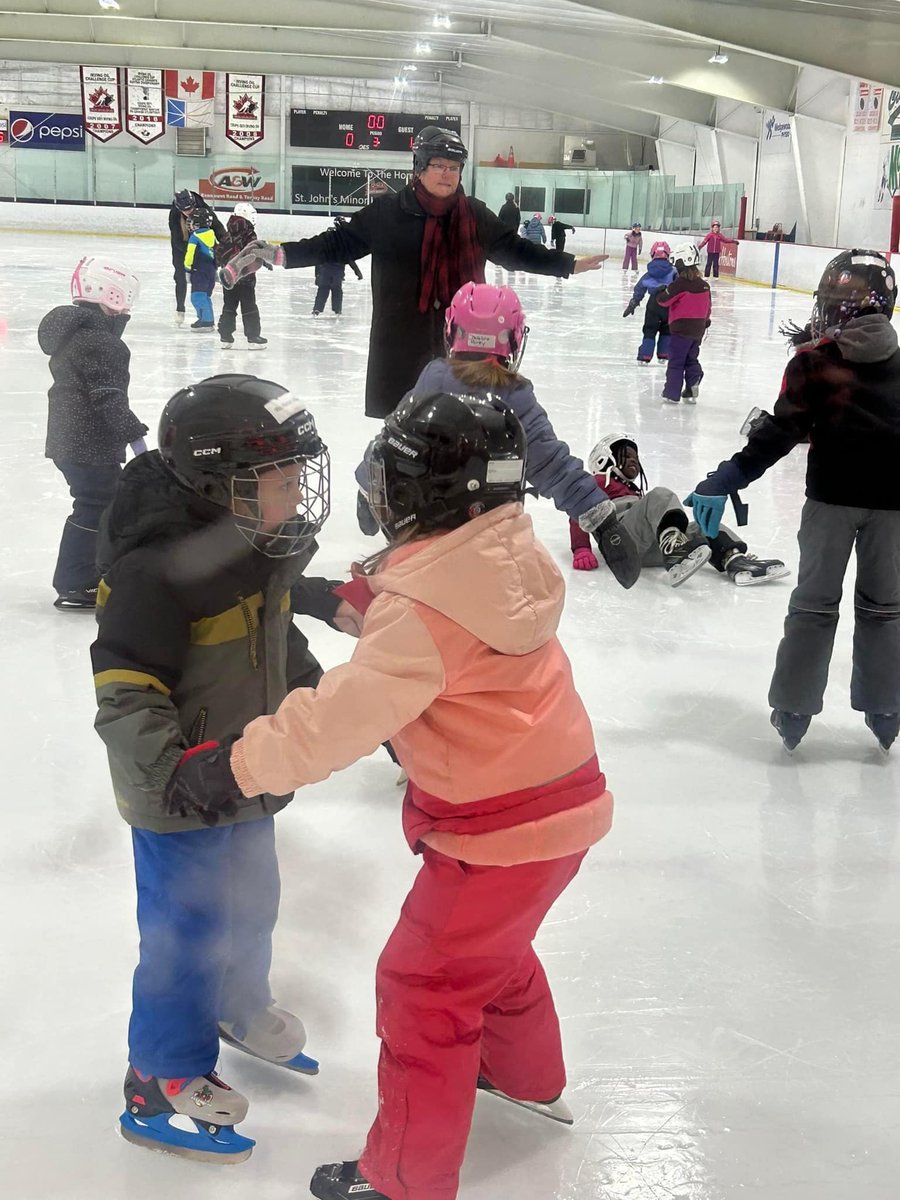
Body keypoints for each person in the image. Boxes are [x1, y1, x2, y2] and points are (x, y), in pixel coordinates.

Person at [162, 390, 615, 1200]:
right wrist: (349, 598)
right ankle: (525, 1076)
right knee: (491, 953)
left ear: (422, 492)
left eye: (391, 478)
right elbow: (449, 611)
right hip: (561, 805)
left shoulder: (422, 615)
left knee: (425, 986)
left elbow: (333, 722)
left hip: (497, 831)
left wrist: (234, 767)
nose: (380, 492)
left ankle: (405, 1178)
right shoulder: (509, 552)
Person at [91, 373, 360, 1162]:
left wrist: (316, 695)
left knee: (252, 903)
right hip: (181, 792)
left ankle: (238, 1005)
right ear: (220, 483)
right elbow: (125, 692)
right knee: (186, 936)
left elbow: (272, 639)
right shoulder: (156, 572)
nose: (298, 492)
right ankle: (160, 1077)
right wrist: (176, 775)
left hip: (245, 773)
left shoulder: (249, 545)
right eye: (282, 480)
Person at [222, 127, 607, 418]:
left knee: (464, 424)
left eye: (453, 168)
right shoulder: (387, 213)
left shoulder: (474, 215)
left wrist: (567, 264)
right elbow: (336, 244)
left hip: (465, 342)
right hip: (402, 342)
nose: (447, 174)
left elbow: (514, 250)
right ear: (420, 168)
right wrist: (280, 254)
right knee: (402, 427)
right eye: (438, 166)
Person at [683, 250, 900, 753]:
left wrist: (726, 477)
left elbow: (780, 434)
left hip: (830, 505)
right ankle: (887, 706)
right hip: (894, 511)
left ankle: (795, 706)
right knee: (885, 609)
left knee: (814, 605)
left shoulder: (813, 364)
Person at [410, 281, 641, 588]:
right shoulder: (513, 394)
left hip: (420, 534)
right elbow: (552, 465)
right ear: (514, 338)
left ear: (452, 331)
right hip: (490, 537)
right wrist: (602, 520)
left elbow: (396, 441)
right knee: (531, 599)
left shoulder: (433, 378)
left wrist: (369, 489)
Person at [39, 256, 147, 610]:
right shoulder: (103, 343)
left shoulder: (74, 335)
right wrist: (137, 437)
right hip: (87, 443)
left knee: (104, 502)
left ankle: (91, 571)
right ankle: (75, 580)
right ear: (111, 298)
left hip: (69, 440)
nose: (126, 314)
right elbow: (108, 397)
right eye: (124, 307)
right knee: (95, 504)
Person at [570, 432, 789, 588]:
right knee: (660, 495)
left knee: (702, 528)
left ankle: (735, 561)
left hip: (645, 549)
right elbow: (577, 510)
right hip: (618, 539)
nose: (634, 461)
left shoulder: (635, 492)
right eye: (626, 456)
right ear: (604, 460)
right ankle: (675, 550)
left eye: (636, 458)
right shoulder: (599, 482)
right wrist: (581, 549)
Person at [657, 243, 711, 404]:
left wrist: (660, 292)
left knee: (676, 361)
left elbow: (663, 301)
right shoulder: (704, 285)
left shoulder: (679, 284)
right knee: (691, 358)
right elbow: (708, 307)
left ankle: (671, 394)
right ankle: (692, 385)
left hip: (681, 330)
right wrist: (706, 321)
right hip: (698, 330)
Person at [168, 189, 225, 326]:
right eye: (185, 210)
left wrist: (226, 249)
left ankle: (205, 313)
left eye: (191, 209)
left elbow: (218, 228)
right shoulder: (175, 214)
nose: (189, 212)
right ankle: (180, 308)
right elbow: (176, 240)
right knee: (180, 276)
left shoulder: (204, 209)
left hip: (204, 248)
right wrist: (192, 253)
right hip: (182, 247)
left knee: (204, 278)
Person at [217, 203, 268, 349]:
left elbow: (219, 252)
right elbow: (253, 252)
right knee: (249, 307)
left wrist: (223, 266)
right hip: (246, 278)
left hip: (229, 277)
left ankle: (225, 337)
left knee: (229, 306)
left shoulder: (228, 233)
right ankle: (253, 338)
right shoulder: (249, 234)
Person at [623, 240, 677, 362]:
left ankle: (645, 355)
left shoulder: (649, 273)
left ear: (652, 254)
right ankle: (664, 354)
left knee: (649, 329)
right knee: (666, 329)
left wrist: (633, 303)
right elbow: (680, 287)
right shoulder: (673, 271)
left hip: (653, 304)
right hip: (669, 303)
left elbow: (640, 287)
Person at [184, 210, 218, 331]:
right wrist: (215, 270)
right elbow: (216, 253)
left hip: (199, 271)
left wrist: (187, 268)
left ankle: (206, 322)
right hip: (210, 271)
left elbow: (190, 254)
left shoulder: (195, 237)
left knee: (197, 296)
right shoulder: (212, 234)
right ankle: (205, 319)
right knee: (205, 296)